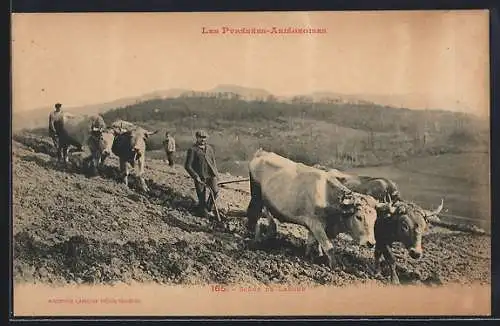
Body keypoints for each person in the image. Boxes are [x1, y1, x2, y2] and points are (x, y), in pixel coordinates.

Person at [184, 130, 219, 218]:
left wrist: (216, 174)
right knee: (201, 196)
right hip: (200, 177)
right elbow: (188, 166)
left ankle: (209, 207)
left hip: (211, 175)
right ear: (197, 138)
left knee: (215, 191)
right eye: (201, 137)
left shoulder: (210, 148)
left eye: (204, 138)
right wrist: (196, 177)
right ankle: (202, 211)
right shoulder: (192, 150)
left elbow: (213, 162)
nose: (203, 140)